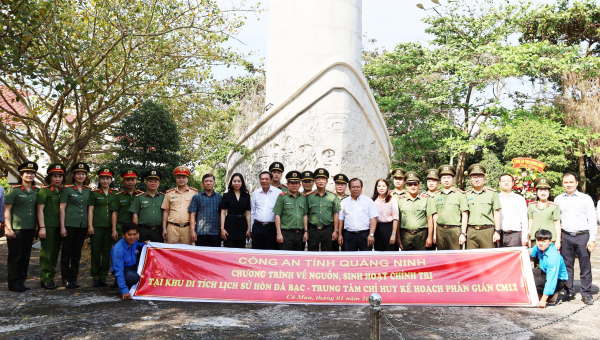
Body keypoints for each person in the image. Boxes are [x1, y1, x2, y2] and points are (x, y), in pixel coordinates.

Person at [555, 172, 597, 305]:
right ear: (562, 184)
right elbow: (556, 220)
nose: (568, 185)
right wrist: (558, 239)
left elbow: (592, 219)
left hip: (582, 236)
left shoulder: (585, 199)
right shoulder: (558, 199)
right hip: (565, 236)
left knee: (585, 266)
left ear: (576, 183)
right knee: (567, 266)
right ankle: (569, 291)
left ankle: (586, 293)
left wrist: (592, 239)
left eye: (571, 182)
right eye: (566, 182)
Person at [4, 161, 39, 292]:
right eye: (27, 173)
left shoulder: (36, 191)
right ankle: (13, 283)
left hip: (29, 228)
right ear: (22, 174)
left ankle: (21, 281)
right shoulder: (14, 191)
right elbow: (7, 210)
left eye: (32, 173)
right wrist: (8, 228)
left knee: (25, 256)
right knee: (15, 256)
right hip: (16, 228)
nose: (29, 175)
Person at [60, 162, 92, 289]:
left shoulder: (88, 190)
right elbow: (62, 209)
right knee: (66, 252)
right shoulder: (67, 189)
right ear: (74, 175)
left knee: (77, 253)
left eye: (83, 174)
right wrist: (62, 227)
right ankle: (65, 279)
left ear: (86, 176)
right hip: (69, 224)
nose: (80, 176)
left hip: (82, 225)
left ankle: (74, 278)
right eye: (78, 174)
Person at [37, 163, 66, 289]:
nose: (57, 179)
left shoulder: (63, 191)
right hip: (48, 226)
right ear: (49, 177)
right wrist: (42, 227)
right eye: (54, 176)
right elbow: (39, 210)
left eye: (60, 176)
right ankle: (45, 279)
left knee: (54, 253)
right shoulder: (44, 191)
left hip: (59, 226)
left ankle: (51, 278)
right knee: (46, 253)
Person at [88, 168, 117, 287]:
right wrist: (90, 225)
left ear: (111, 180)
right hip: (97, 226)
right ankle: (95, 276)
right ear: (99, 180)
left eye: (107, 178)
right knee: (95, 251)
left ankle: (103, 276)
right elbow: (90, 210)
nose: (105, 181)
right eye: (102, 178)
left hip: (109, 227)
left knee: (107, 252)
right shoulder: (94, 193)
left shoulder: (115, 194)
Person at [429, 165, 468, 251]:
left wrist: (463, 233)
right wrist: (435, 233)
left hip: (455, 230)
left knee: (456, 258)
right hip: (440, 230)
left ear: (453, 179)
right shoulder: (437, 195)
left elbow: (464, 215)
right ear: (440, 180)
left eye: (448, 177)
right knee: (441, 258)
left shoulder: (460, 194)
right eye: (444, 178)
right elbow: (435, 216)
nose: (446, 180)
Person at [464, 164, 502, 249]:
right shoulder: (466, 195)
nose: (477, 179)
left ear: (484, 178)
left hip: (487, 231)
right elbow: (465, 215)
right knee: (471, 259)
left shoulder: (492, 193)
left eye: (479, 176)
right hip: (471, 231)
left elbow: (496, 213)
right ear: (470, 179)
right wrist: (463, 233)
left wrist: (497, 231)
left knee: (489, 259)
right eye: (474, 177)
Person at [530, 229, 569, 308]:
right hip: (544, 272)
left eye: (544, 241)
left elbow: (551, 279)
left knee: (532, 282)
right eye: (538, 240)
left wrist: (543, 301)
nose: (540, 243)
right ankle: (540, 295)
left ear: (550, 241)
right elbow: (531, 252)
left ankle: (552, 295)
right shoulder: (539, 247)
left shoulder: (553, 257)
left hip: (558, 280)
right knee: (526, 274)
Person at [338, 178, 378, 251]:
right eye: (353, 187)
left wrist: (371, 234)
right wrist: (340, 235)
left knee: (366, 259)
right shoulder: (344, 202)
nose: (355, 189)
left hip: (365, 235)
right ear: (349, 188)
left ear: (361, 188)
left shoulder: (368, 201)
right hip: (349, 235)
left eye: (358, 187)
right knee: (350, 260)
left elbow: (373, 218)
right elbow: (341, 219)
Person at [110, 222, 146, 300]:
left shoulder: (134, 241)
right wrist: (124, 291)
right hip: (123, 269)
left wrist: (145, 244)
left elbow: (137, 246)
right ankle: (124, 285)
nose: (132, 237)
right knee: (133, 277)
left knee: (148, 269)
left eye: (134, 234)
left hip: (132, 266)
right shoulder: (118, 250)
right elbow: (119, 271)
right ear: (123, 235)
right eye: (129, 234)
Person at [397, 172, 433, 251]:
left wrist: (430, 237)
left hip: (421, 235)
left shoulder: (426, 199)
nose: (413, 186)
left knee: (422, 260)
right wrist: (398, 238)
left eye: (415, 184)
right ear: (406, 186)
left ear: (418, 185)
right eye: (410, 184)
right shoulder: (400, 200)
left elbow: (430, 219)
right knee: (406, 260)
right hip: (405, 236)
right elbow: (398, 221)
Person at [307, 168, 340, 251]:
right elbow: (306, 214)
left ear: (327, 181)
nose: (321, 181)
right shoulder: (309, 196)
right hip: (313, 229)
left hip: (327, 229)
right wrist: (306, 231)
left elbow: (335, 214)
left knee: (327, 253)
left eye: (323, 179)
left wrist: (335, 230)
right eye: (318, 179)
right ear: (314, 181)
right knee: (312, 253)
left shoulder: (332, 196)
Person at [274, 171, 308, 251]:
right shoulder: (282, 197)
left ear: (300, 185)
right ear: (287, 184)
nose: (294, 185)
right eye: (292, 183)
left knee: (298, 259)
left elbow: (305, 215)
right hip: (286, 233)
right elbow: (277, 215)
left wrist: (306, 231)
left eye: (296, 183)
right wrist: (279, 233)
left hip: (299, 234)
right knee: (284, 258)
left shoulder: (303, 198)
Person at [162, 166, 197, 245]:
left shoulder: (194, 193)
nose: (181, 179)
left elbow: (196, 212)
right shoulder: (169, 193)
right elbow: (166, 211)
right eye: (179, 177)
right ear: (175, 179)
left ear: (187, 179)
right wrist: (164, 229)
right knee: (171, 252)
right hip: (172, 228)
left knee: (187, 252)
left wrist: (194, 229)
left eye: (183, 177)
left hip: (188, 228)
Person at [130, 169, 164, 243]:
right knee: (142, 252)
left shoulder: (163, 197)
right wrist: (136, 231)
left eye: (155, 181)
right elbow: (135, 214)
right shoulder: (139, 197)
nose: (153, 183)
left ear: (159, 183)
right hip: (143, 230)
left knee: (157, 253)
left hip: (158, 231)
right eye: (150, 181)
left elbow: (166, 213)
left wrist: (165, 229)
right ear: (146, 183)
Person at [250, 171, 282, 250]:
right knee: (256, 251)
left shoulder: (278, 192)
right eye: (262, 179)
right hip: (257, 227)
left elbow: (280, 212)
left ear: (271, 180)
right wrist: (251, 229)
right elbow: (252, 212)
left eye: (267, 179)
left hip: (271, 227)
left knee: (271, 252)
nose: (264, 181)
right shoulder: (256, 193)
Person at [189, 173, 223, 247]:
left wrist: (222, 229)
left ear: (214, 183)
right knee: (200, 257)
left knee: (215, 257)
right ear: (202, 184)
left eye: (211, 181)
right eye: (206, 181)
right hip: (201, 232)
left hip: (215, 233)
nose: (208, 183)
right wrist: (192, 231)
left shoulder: (220, 197)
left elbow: (222, 215)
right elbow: (192, 214)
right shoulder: (196, 197)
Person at [220, 173, 251, 248]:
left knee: (240, 249)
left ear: (242, 182)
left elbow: (248, 213)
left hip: (242, 225)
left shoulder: (246, 196)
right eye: (234, 181)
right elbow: (223, 213)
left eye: (239, 181)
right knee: (229, 248)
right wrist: (222, 228)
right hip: (229, 224)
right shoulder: (226, 195)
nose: (236, 183)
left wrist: (249, 229)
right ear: (231, 182)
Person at [110, 168, 142, 242]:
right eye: (127, 180)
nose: (130, 182)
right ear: (123, 181)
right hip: (121, 227)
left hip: (137, 228)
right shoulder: (118, 196)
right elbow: (114, 213)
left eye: (132, 180)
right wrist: (114, 230)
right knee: (120, 250)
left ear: (136, 180)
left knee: (135, 251)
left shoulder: (141, 195)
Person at [528, 178, 561, 248]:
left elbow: (557, 224)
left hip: (550, 239)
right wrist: (528, 238)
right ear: (536, 192)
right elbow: (530, 222)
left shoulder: (554, 206)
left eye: (545, 191)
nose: (543, 193)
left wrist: (558, 240)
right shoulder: (531, 206)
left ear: (549, 192)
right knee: (535, 258)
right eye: (540, 190)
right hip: (535, 238)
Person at [498, 173, 529, 247]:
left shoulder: (519, 199)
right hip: (499, 234)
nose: (506, 183)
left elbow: (524, 218)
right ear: (499, 183)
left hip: (514, 235)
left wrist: (524, 236)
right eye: (503, 181)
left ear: (512, 183)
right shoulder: (496, 198)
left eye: (508, 181)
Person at [371, 178, 399, 251]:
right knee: (378, 253)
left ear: (387, 187)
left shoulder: (392, 200)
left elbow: (395, 218)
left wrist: (393, 234)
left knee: (390, 252)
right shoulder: (372, 201)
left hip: (388, 228)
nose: (381, 188)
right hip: (377, 228)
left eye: (383, 186)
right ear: (376, 187)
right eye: (379, 186)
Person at [331, 173, 349, 251]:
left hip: (345, 229)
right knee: (332, 251)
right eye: (338, 184)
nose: (340, 186)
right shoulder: (330, 197)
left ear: (346, 186)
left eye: (342, 184)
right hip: (332, 228)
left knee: (345, 251)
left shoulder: (349, 199)